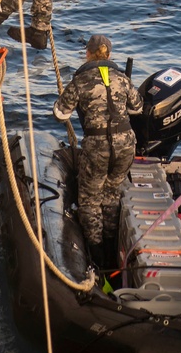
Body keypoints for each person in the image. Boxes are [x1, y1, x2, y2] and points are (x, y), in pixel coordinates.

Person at [53, 34, 142, 268]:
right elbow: (138, 107)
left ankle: (97, 259)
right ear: (109, 55)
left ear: (88, 54)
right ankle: (115, 252)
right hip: (125, 146)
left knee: (90, 201)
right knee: (112, 195)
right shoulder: (123, 79)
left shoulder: (81, 81)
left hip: (97, 146)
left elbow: (60, 113)